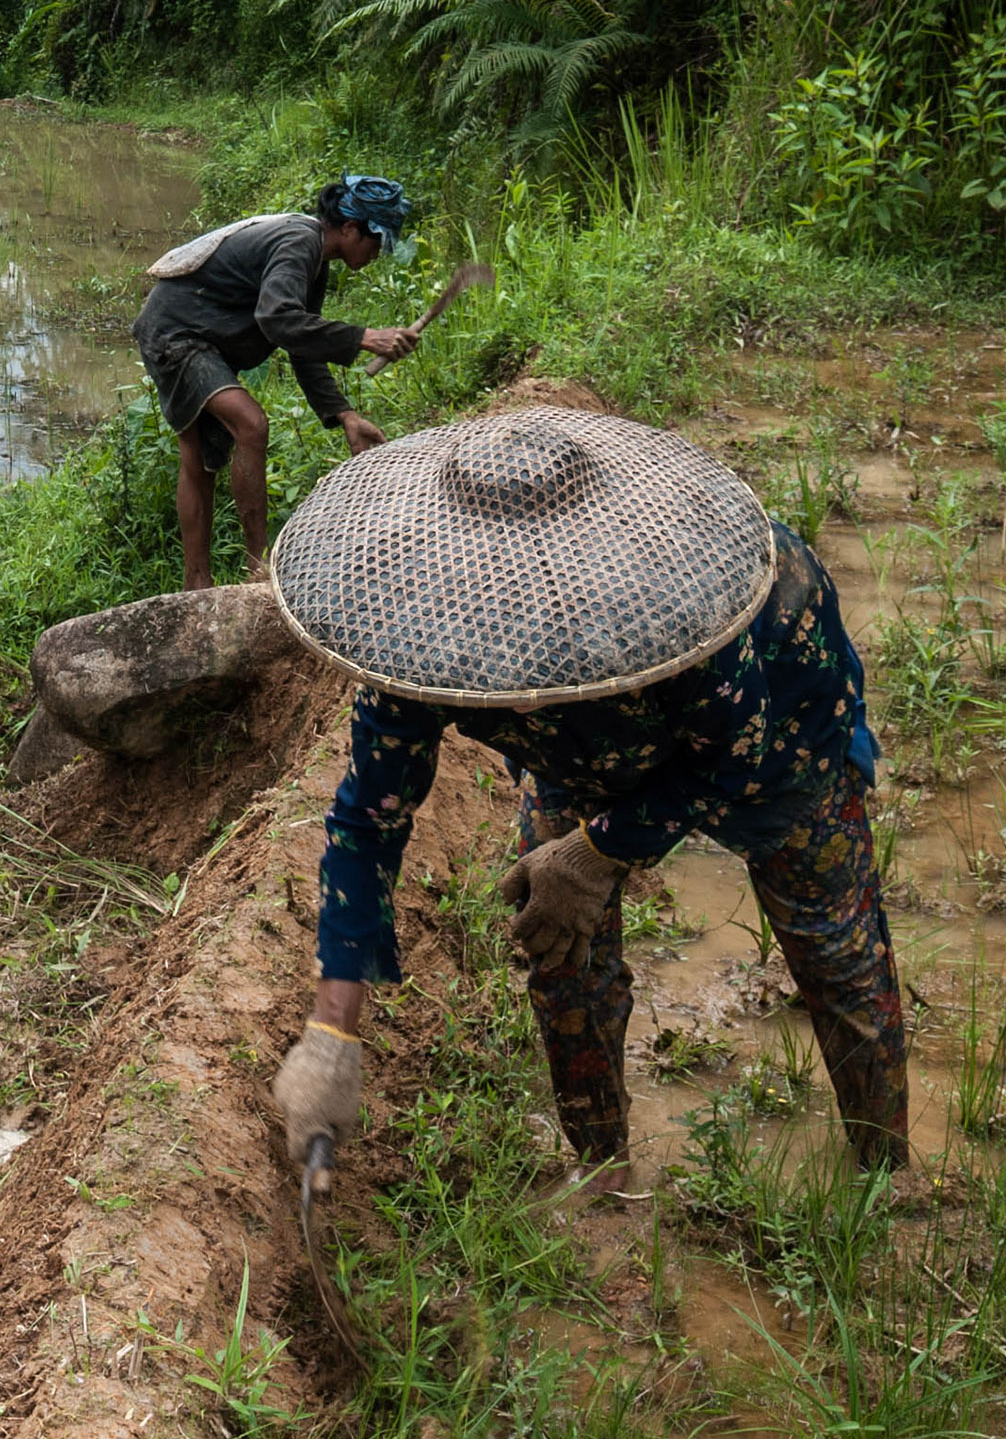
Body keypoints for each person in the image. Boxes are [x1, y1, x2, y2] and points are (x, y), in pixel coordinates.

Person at [267, 407, 908, 1187]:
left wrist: (602, 849)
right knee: (560, 948)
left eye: (534, 655)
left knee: (835, 950)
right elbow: (369, 820)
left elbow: (736, 763)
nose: (519, 698)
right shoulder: (420, 632)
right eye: (494, 665)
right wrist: (333, 1030)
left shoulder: (692, 601)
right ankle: (604, 1177)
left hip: (781, 731)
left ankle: (884, 1175)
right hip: (590, 760)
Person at [134, 174, 424, 591]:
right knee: (250, 424)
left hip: (198, 336)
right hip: (177, 332)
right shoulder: (299, 244)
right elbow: (277, 318)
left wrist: (343, 415)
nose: (377, 253)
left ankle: (196, 584)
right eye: (375, 240)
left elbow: (301, 342)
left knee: (198, 459)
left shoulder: (316, 259)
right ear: (348, 228)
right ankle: (259, 568)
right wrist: (363, 337)